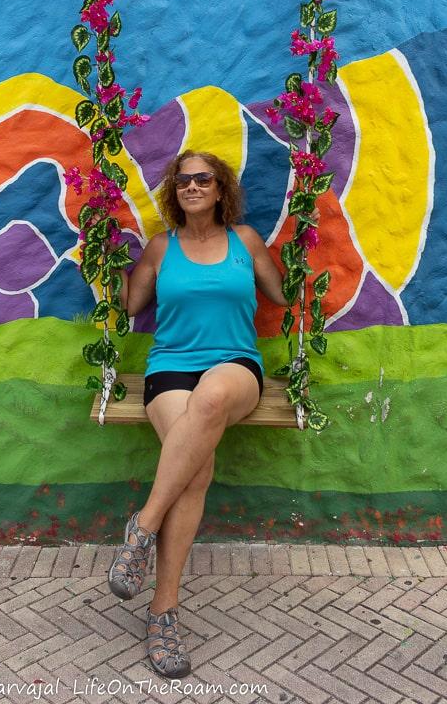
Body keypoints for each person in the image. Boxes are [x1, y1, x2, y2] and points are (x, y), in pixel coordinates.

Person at [107, 149, 298, 677]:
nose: (193, 186)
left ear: (220, 189)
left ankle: (141, 528)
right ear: (175, 190)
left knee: (211, 400)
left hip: (235, 366)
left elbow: (282, 295)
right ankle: (162, 614)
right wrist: (104, 263)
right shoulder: (160, 247)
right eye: (183, 179)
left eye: (203, 179)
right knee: (198, 471)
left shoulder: (247, 242)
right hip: (169, 368)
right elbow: (129, 307)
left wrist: (306, 251)